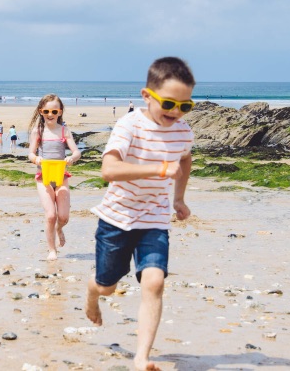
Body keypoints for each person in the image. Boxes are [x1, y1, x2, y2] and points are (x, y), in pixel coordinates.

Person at [86, 57, 196, 370]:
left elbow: (185, 161)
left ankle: (141, 357)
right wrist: (159, 169)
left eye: (185, 106)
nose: (176, 112)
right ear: (147, 96)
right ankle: (93, 293)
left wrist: (179, 199)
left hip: (155, 220)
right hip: (116, 218)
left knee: (154, 281)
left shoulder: (183, 132)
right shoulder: (129, 124)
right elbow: (108, 169)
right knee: (108, 285)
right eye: (169, 103)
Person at [27, 95, 81, 261]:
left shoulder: (64, 130)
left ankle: (59, 229)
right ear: (41, 111)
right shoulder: (38, 131)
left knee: (63, 217)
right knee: (50, 215)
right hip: (43, 177)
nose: (50, 114)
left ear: (60, 112)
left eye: (54, 111)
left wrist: (72, 158)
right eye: (46, 111)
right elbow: (31, 153)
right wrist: (37, 159)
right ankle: (52, 250)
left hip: (61, 176)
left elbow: (77, 152)